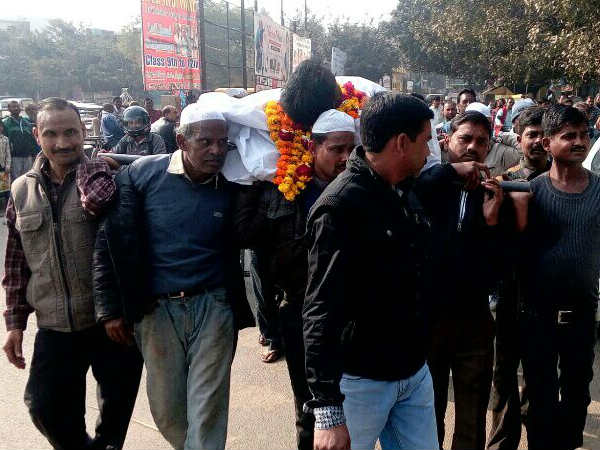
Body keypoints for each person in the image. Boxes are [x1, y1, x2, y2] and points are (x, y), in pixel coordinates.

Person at [93, 103, 254, 450]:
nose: (216, 151)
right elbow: (109, 244)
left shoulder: (233, 182)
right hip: (156, 312)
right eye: (205, 142)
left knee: (208, 406)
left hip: (214, 306)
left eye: (223, 143)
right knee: (167, 410)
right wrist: (109, 308)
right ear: (181, 141)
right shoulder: (142, 176)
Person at [1, 98, 143, 450]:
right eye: (51, 134)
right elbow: (16, 263)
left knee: (114, 413)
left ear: (84, 132)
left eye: (70, 133)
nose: (62, 143)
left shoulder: (106, 179)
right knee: (44, 407)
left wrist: (121, 309)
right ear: (37, 135)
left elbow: (127, 245)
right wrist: (15, 324)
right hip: (55, 327)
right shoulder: (21, 190)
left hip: (111, 323)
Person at [303, 94, 441, 450]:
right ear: (401, 143)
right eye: (426, 140)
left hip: (412, 372)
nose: (430, 150)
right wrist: (327, 409)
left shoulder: (403, 188)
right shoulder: (340, 206)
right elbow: (320, 309)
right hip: (360, 382)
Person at [235, 109, 356, 450]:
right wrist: (253, 182)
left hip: (351, 315)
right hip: (300, 314)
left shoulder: (358, 190)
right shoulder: (284, 190)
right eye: (336, 149)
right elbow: (245, 234)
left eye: (351, 149)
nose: (345, 157)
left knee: (354, 407)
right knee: (309, 409)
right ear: (313, 147)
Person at [417, 111, 508, 450]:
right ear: (447, 142)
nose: (472, 147)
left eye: (481, 142)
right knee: (428, 414)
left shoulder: (494, 194)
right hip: (429, 320)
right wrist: (450, 172)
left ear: (489, 148)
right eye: (464, 139)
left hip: (475, 322)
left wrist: (492, 224)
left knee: (472, 418)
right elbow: (414, 191)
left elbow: (497, 271)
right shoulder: (428, 183)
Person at [519, 105, 600, 450]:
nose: (579, 142)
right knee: (540, 394)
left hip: (582, 313)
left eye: (584, 135)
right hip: (537, 314)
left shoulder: (599, 190)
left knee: (577, 393)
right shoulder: (530, 192)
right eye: (569, 136)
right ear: (547, 143)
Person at [486, 106, 550, 450]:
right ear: (520, 139)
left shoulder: (566, 181)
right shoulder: (503, 181)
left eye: (544, 135)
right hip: (510, 289)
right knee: (503, 373)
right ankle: (501, 443)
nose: (538, 141)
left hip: (548, 292)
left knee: (541, 374)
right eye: (531, 135)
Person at [465, 102, 521, 177]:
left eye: (486, 124)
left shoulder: (503, 152)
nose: (480, 129)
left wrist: (503, 137)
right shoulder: (456, 150)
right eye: (474, 122)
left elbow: (526, 160)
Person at [2, 100, 39, 182]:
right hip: (14, 157)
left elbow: (33, 138)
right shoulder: (5, 123)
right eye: (13, 107)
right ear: (9, 109)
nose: (16, 108)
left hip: (28, 156)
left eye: (17, 106)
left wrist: (34, 153)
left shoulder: (27, 122)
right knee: (16, 180)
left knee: (28, 178)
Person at [0, 121, 12, 186]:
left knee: (3, 186)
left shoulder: (5, 139)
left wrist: (8, 166)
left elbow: (8, 154)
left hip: (3, 166)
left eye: (0, 126)